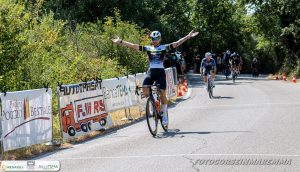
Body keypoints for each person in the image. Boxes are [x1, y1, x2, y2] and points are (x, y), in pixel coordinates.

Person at [111, 30, 199, 125]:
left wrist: (187, 36)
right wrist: (120, 41)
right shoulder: (148, 48)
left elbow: (177, 43)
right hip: (151, 72)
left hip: (160, 72)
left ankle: (164, 113)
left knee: (162, 93)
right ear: (151, 39)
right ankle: (152, 104)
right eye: (153, 38)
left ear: (160, 39)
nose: (155, 40)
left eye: (157, 38)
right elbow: (133, 46)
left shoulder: (163, 47)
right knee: (145, 89)